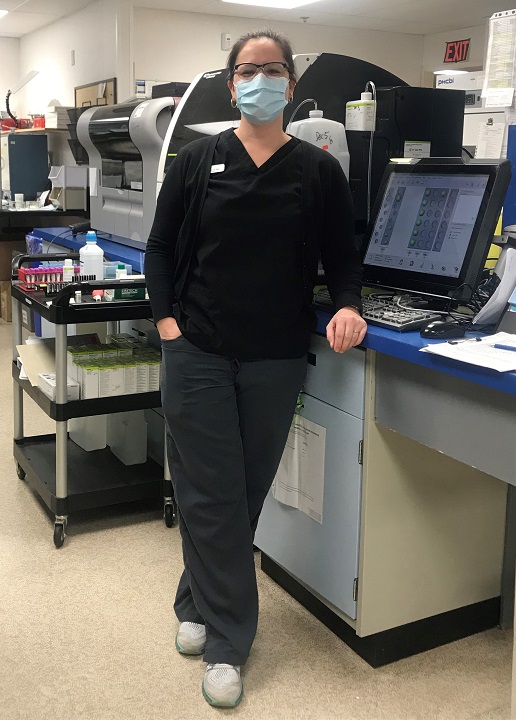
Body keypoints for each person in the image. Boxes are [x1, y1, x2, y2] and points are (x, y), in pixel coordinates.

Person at [145, 29, 367, 709]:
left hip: (273, 356)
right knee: (210, 492)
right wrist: (168, 328)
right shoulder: (196, 159)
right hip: (199, 350)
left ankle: (194, 598)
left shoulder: (316, 170)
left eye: (273, 70)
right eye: (249, 70)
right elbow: (158, 248)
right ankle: (228, 641)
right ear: (231, 81)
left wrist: (350, 306)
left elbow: (342, 253)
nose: (260, 80)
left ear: (291, 87)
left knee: (239, 493)